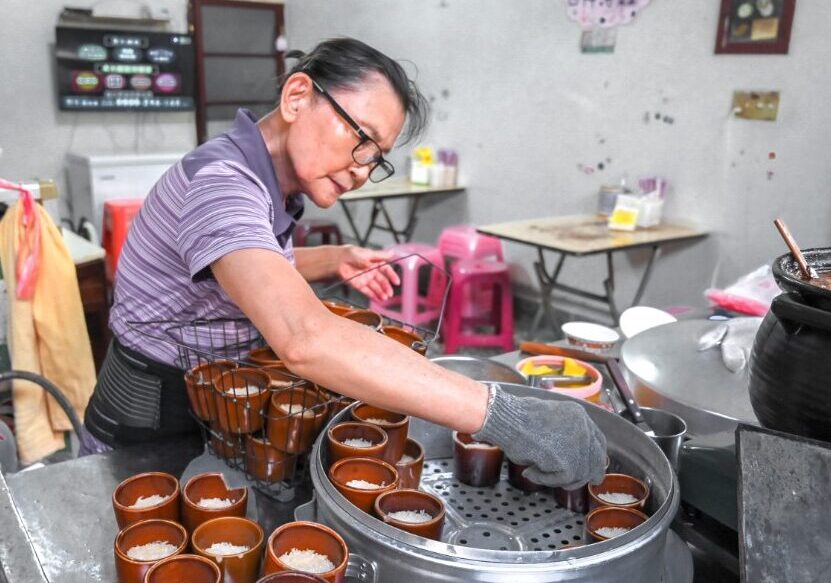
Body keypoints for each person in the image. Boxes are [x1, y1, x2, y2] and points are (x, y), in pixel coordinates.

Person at [85, 37, 606, 489]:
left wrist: (336, 258)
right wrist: (502, 415)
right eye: (362, 139)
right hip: (150, 420)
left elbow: (247, 264)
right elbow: (303, 339)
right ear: (297, 96)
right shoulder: (222, 185)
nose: (362, 170)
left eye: (376, 157)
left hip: (213, 404)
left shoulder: (264, 181)